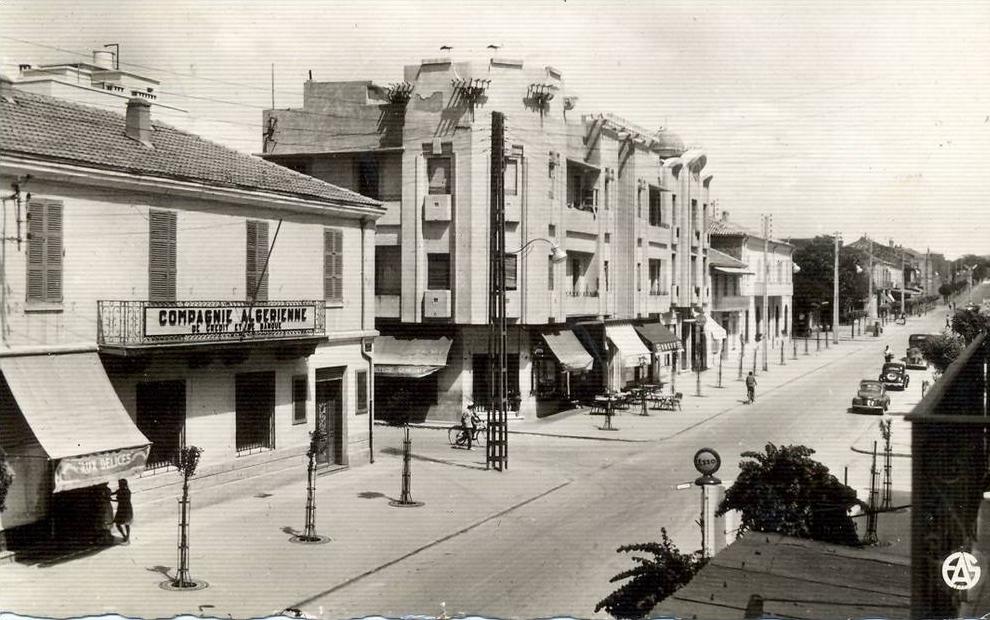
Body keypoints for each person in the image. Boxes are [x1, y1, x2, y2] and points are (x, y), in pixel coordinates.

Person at [110, 479, 132, 543]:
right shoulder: (121, 490)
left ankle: (127, 536)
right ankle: (125, 536)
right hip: (122, 508)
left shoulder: (127, 491)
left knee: (125, 523)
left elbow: (122, 500)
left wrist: (111, 500)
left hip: (125, 508)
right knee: (119, 524)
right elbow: (112, 493)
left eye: (120, 484)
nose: (119, 485)